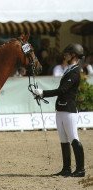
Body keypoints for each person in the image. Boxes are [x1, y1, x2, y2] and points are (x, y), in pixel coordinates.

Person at [33, 43, 86, 177]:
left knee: (73, 138)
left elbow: (62, 90)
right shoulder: (68, 70)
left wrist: (43, 93)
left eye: (68, 53)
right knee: (63, 139)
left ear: (73, 55)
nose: (65, 55)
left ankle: (80, 169)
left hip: (69, 110)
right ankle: (66, 168)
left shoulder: (75, 72)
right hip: (61, 109)